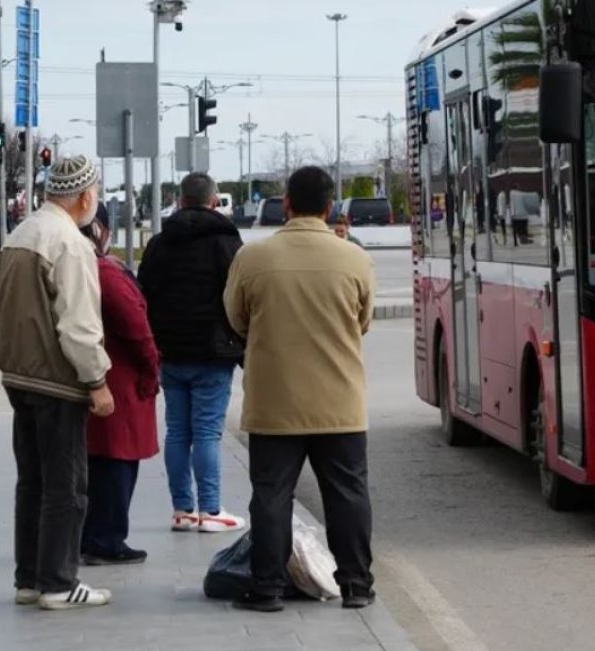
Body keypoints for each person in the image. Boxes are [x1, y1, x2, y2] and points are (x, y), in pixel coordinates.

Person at [224, 166, 377, 613]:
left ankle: (267, 588)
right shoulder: (354, 259)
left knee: (271, 495)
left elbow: (236, 317)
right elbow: (362, 321)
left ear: (286, 204)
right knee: (348, 493)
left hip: (276, 402)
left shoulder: (253, 258)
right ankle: (356, 585)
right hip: (340, 402)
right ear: (331, 208)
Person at [0, 155, 115, 610]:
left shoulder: (20, 234)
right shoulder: (70, 243)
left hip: (18, 375)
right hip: (58, 382)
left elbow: (0, 308)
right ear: (85, 196)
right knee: (68, 487)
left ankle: (30, 579)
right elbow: (79, 325)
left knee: (33, 483)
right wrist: (97, 380)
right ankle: (60, 583)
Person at [137, 172, 246, 533]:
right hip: (213, 351)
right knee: (208, 433)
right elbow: (238, 297)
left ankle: (182, 510)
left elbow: (143, 294)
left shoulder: (158, 244)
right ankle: (211, 510)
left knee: (178, 431)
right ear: (214, 201)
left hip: (169, 350)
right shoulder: (227, 243)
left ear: (180, 201)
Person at [80, 204, 161, 566]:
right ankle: (107, 538)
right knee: (117, 459)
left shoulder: (76, 267)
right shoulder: (106, 272)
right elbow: (136, 327)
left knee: (99, 460)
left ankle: (93, 535)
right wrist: (151, 367)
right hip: (120, 379)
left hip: (97, 376)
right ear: (101, 229)